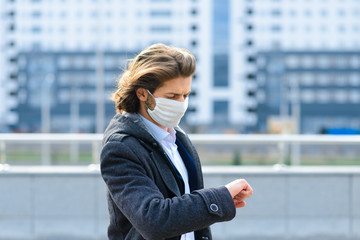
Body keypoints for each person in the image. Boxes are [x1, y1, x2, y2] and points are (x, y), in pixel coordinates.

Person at [100, 43, 253, 240]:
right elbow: (153, 220)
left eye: (186, 95)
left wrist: (223, 199)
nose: (181, 104)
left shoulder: (177, 137)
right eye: (172, 96)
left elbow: (184, 204)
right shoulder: (121, 148)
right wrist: (218, 198)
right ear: (142, 93)